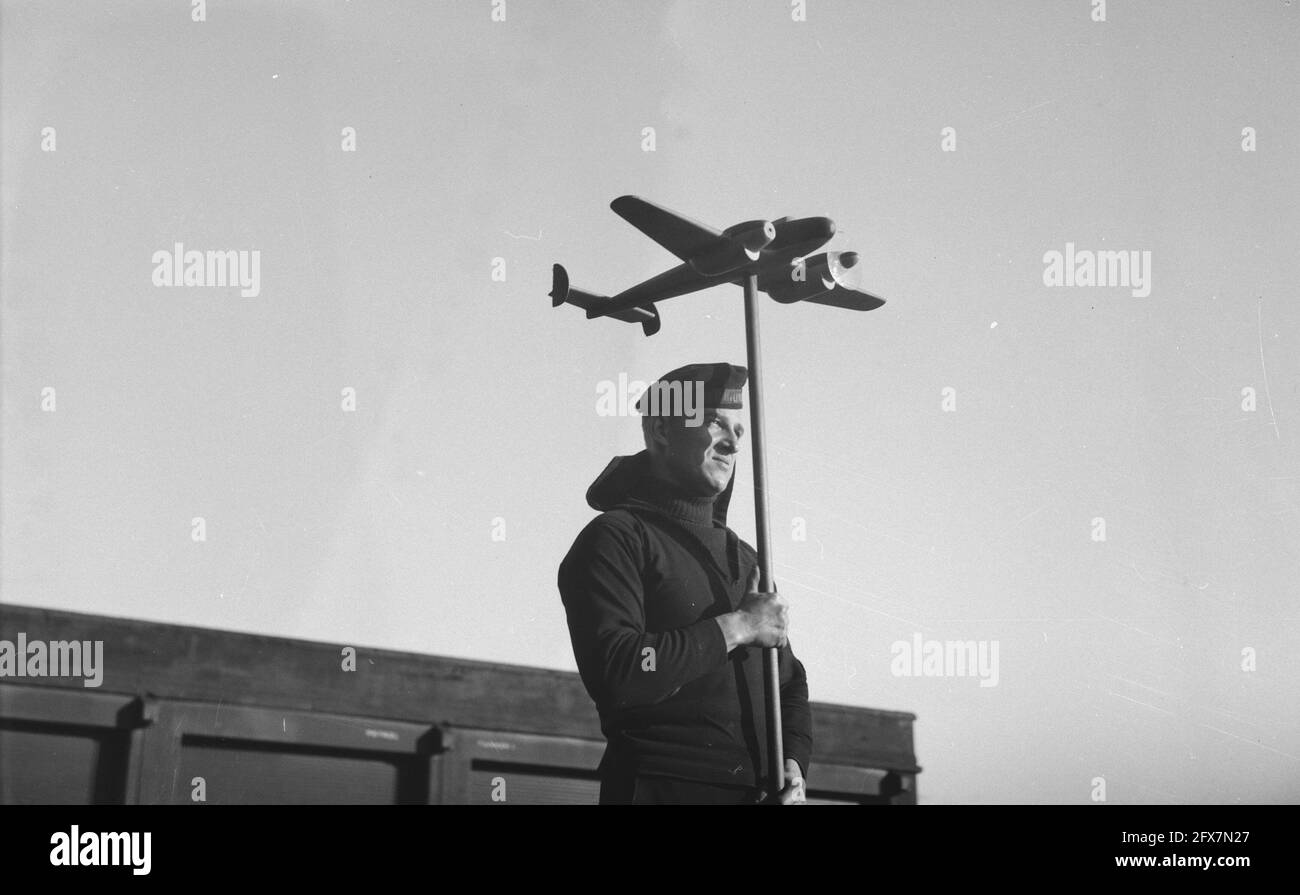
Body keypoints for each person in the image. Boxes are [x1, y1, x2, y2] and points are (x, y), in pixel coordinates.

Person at [557, 361, 812, 804]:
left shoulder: (747, 559)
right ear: (660, 430)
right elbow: (620, 670)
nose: (732, 443)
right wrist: (739, 627)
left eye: (739, 431)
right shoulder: (618, 538)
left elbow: (788, 682)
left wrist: (792, 762)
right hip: (659, 787)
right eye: (714, 423)